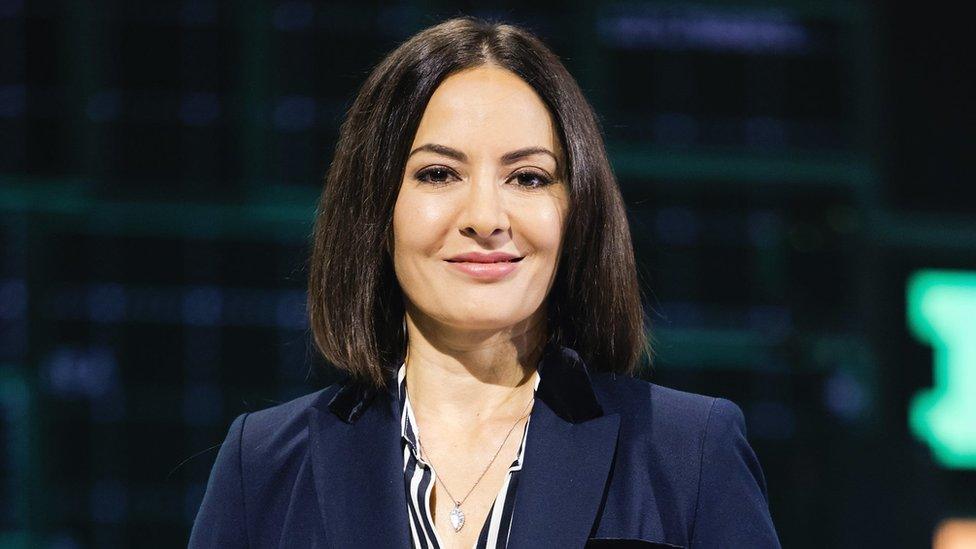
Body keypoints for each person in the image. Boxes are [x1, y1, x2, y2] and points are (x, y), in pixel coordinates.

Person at [189, 16, 780, 549]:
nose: (486, 218)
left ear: (577, 212)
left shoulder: (689, 453)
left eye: (526, 178)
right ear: (375, 208)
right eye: (439, 173)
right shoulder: (264, 464)